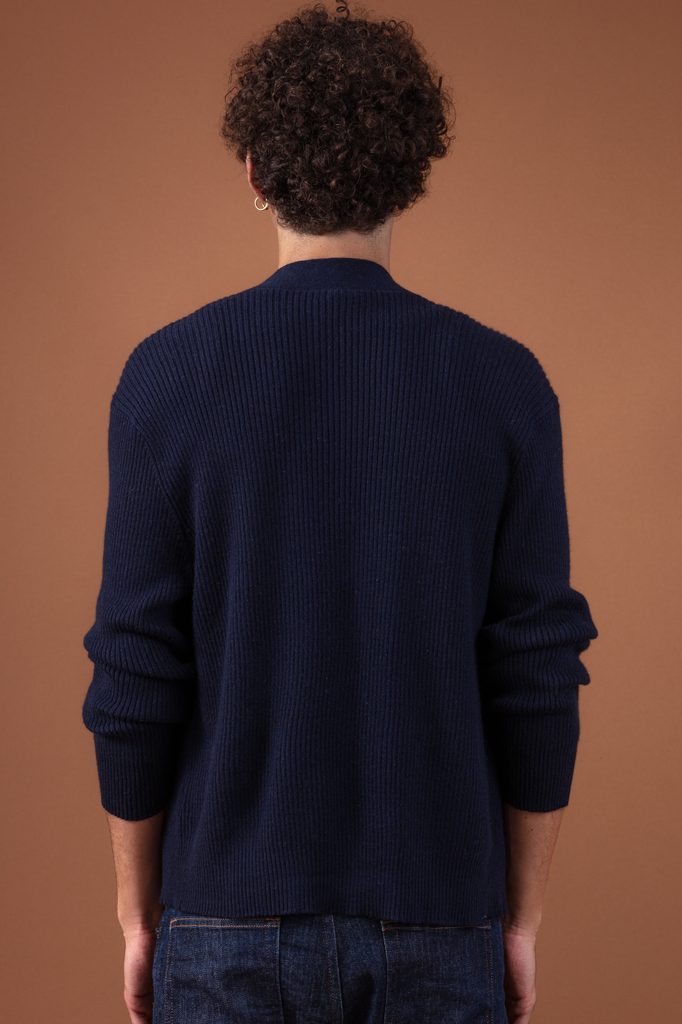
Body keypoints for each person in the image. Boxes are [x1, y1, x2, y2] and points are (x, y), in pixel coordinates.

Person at [80, 4, 599, 1023]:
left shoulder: (170, 375)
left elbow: (135, 669)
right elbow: (536, 671)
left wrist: (137, 913)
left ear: (254, 172)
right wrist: (520, 919)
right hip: (441, 915)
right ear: (410, 172)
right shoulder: (501, 382)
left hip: (221, 916)